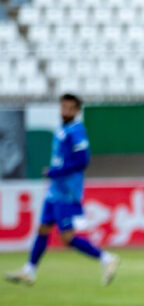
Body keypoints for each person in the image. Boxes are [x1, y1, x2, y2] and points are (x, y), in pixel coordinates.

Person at [5, 94, 119, 287]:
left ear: (76, 111)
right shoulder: (62, 129)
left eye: (69, 108)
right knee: (43, 229)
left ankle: (107, 258)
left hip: (67, 192)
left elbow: (83, 160)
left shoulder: (77, 131)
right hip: (55, 190)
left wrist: (56, 171)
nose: (65, 111)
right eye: (63, 106)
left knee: (68, 237)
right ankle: (29, 271)